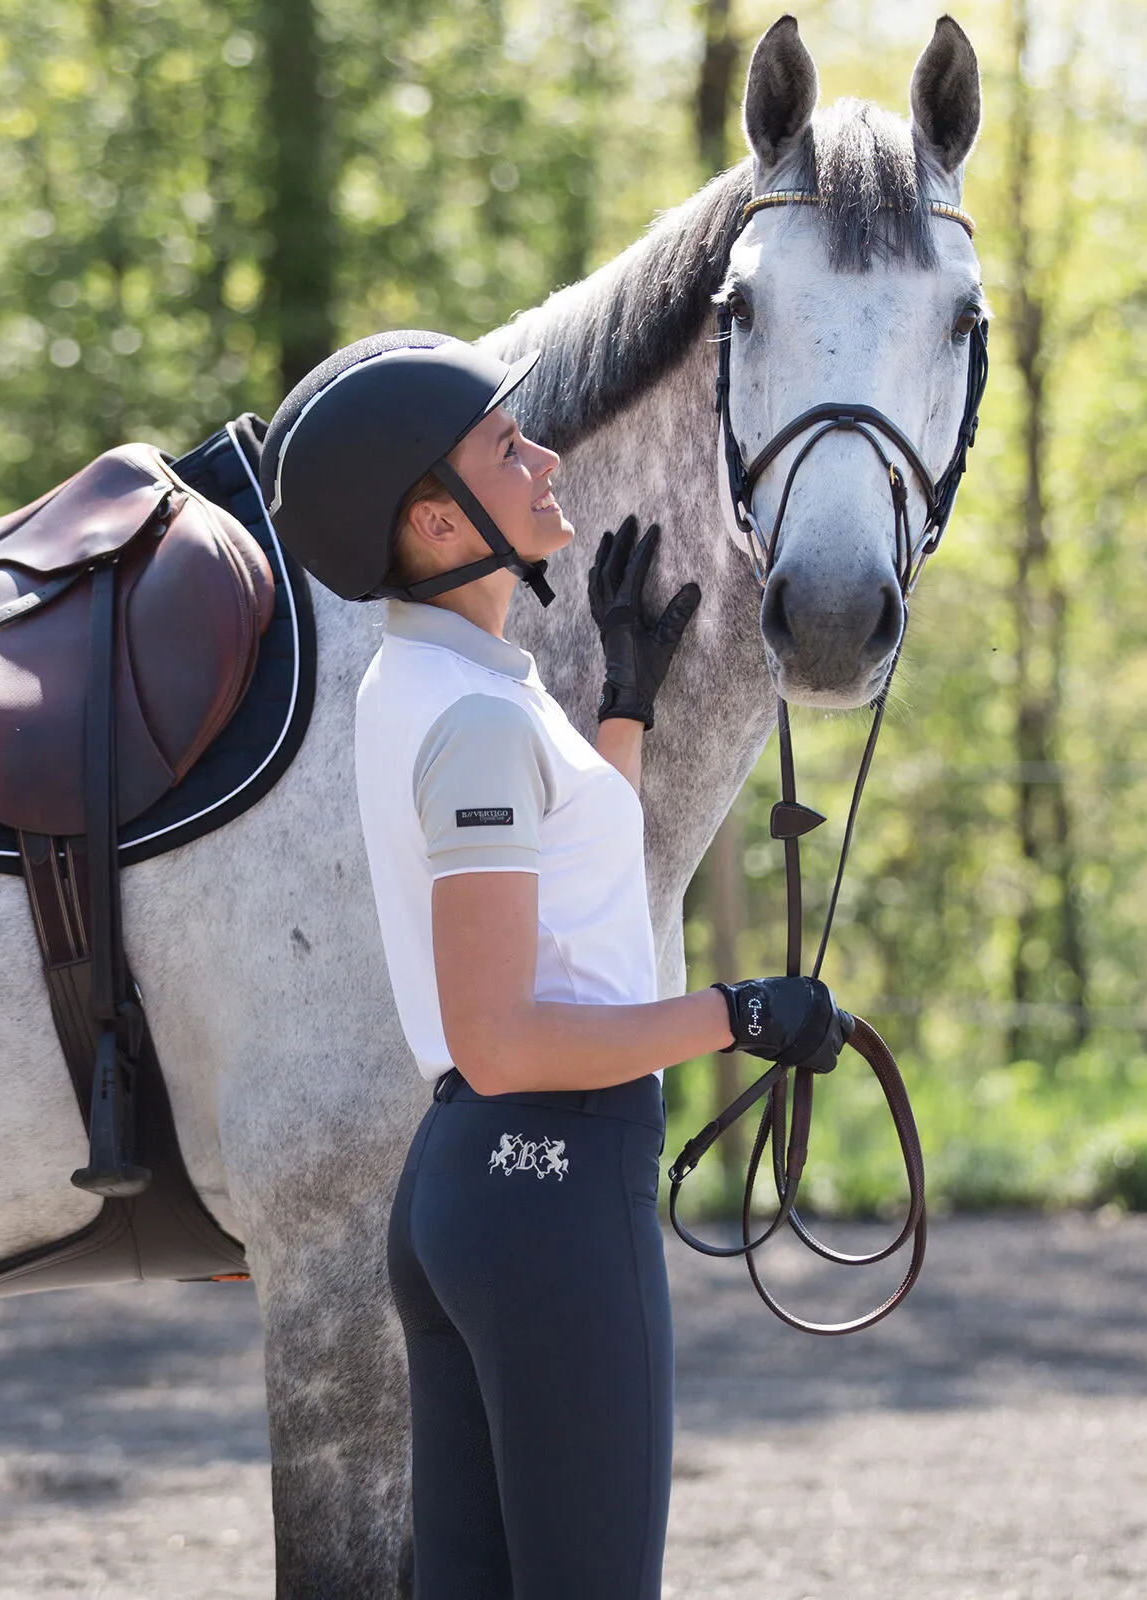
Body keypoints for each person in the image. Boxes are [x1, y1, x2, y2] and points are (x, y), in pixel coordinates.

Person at [261, 330, 848, 1600]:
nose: (541, 459)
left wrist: (621, 713)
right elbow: (506, 1034)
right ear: (433, 518)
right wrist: (738, 1012)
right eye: (504, 448)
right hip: (552, 1180)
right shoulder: (473, 716)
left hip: (478, 1189)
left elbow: (569, 908)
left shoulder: (437, 681)